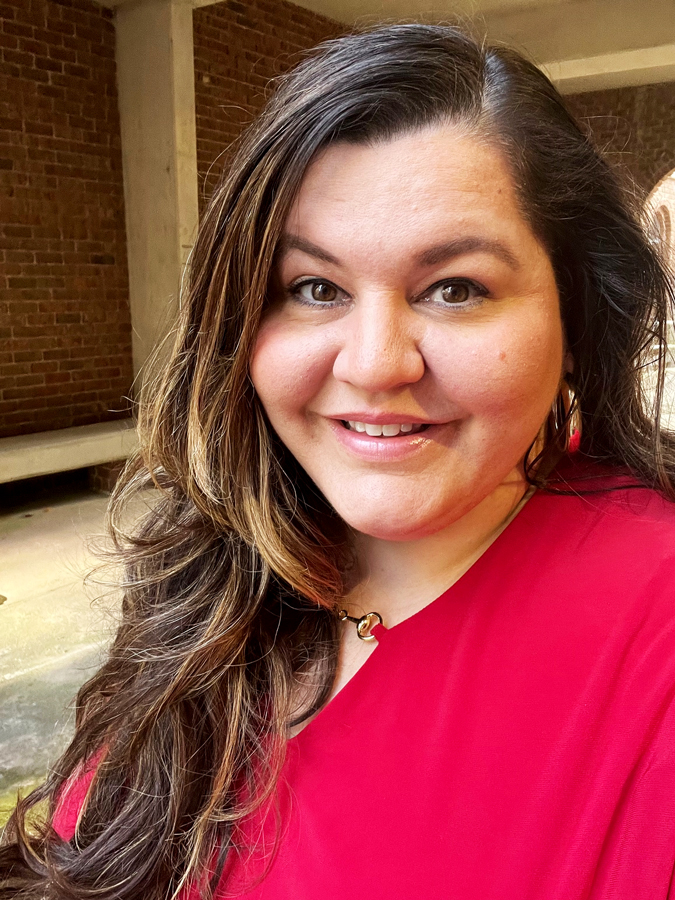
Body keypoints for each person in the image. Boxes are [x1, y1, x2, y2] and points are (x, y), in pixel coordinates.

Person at [2, 22, 675, 900]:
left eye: (455, 288)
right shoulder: (226, 553)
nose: (372, 363)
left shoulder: (650, 628)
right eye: (314, 288)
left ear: (576, 320)